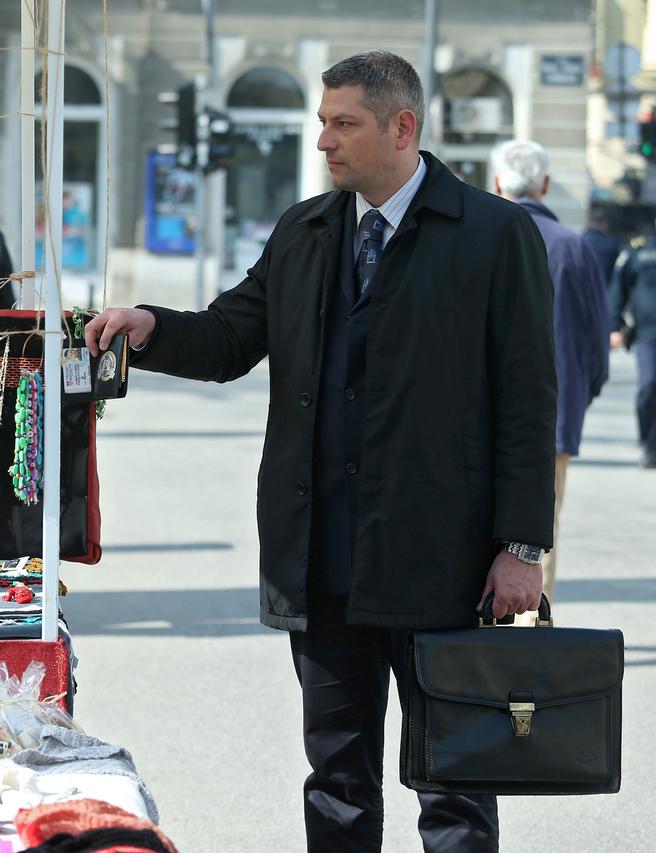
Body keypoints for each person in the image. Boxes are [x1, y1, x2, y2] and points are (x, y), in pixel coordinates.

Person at [86, 51, 555, 851]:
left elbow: (527, 400)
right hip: (324, 558)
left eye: (344, 124)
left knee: (455, 782)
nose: (324, 143)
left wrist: (520, 546)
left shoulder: (493, 233)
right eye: (322, 123)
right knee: (336, 779)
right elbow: (232, 335)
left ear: (401, 128)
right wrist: (152, 327)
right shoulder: (305, 230)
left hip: (444, 561)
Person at [490, 140, 610, 614]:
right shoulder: (574, 247)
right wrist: (579, 397)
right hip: (553, 418)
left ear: (498, 184)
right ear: (544, 185)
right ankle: (532, 640)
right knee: (541, 531)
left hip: (477, 414)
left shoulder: (480, 240)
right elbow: (596, 341)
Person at [609, 226, 656, 468]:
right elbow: (618, 289)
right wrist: (614, 326)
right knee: (648, 386)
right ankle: (648, 443)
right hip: (647, 334)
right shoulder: (639, 251)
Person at [582, 205, 621, 282]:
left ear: (589, 222)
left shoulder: (580, 240)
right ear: (605, 224)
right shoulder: (612, 243)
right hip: (604, 287)